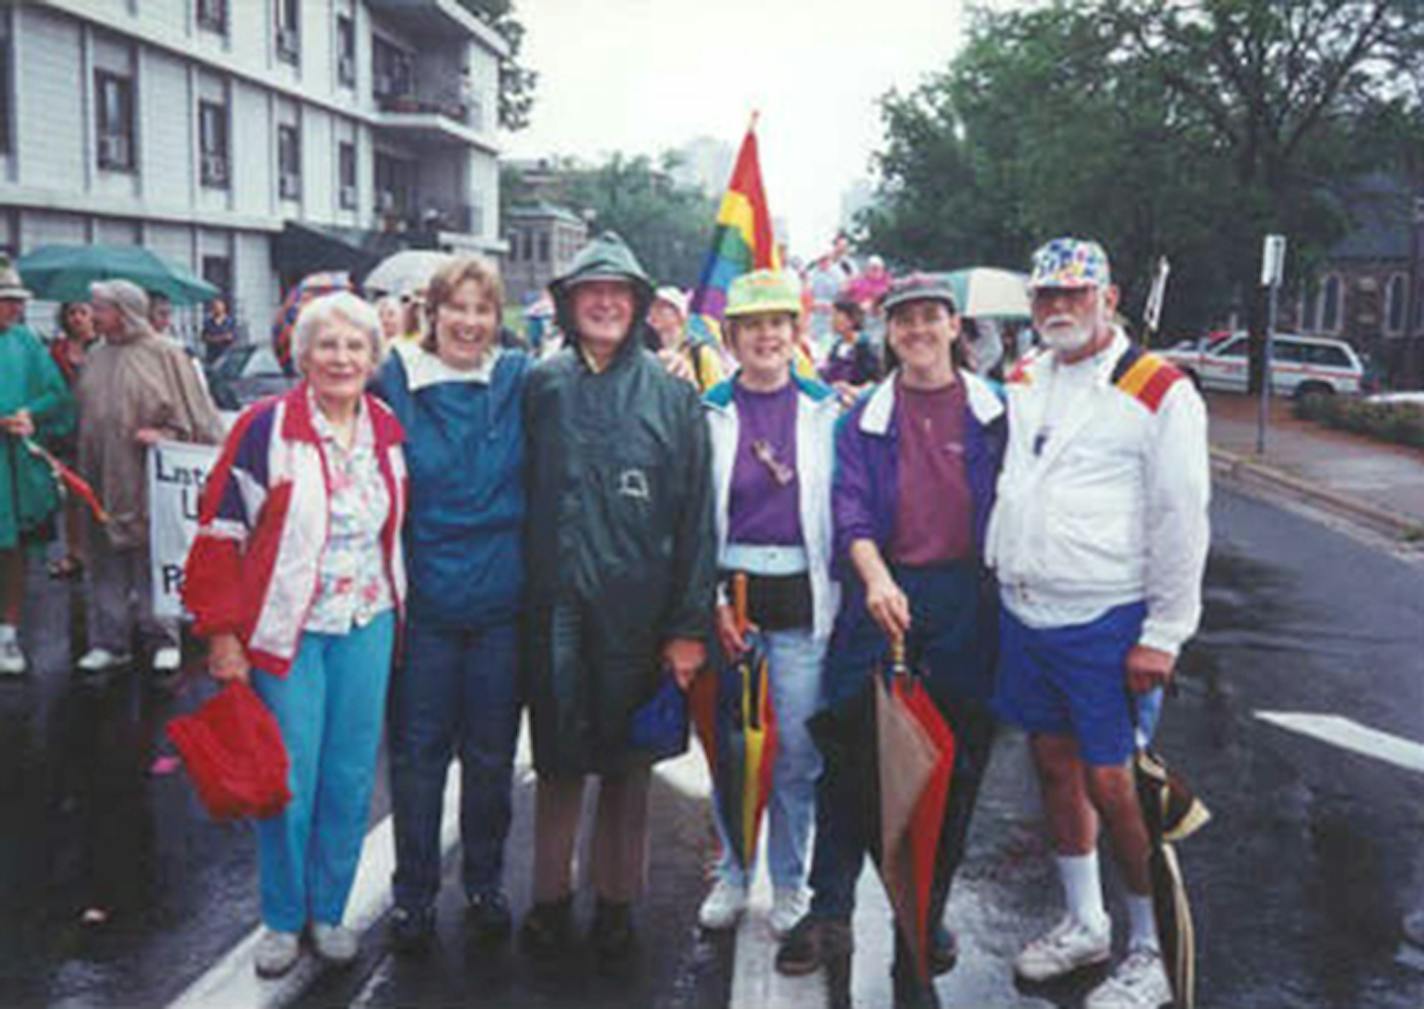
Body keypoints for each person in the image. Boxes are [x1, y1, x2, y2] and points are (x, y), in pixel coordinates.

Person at [988, 238, 1209, 1009]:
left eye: (1075, 295)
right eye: (1045, 295)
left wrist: (1165, 632)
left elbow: (1183, 516)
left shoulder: (1158, 389)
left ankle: (1150, 946)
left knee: (1114, 781)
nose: (1058, 308)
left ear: (1108, 299)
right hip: (1026, 610)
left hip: (1106, 616)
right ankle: (1085, 920)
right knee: (1052, 764)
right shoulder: (1022, 376)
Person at [776, 273, 1007, 1009]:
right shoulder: (863, 420)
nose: (917, 330)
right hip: (882, 594)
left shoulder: (998, 414)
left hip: (967, 599)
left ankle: (922, 926)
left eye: (930, 317)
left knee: (955, 765)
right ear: (887, 331)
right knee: (850, 755)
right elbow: (851, 515)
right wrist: (874, 579)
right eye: (902, 320)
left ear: (954, 327)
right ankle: (831, 905)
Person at [182, 291, 408, 979]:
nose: (341, 358)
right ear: (302, 354)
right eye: (327, 345)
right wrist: (223, 636)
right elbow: (220, 533)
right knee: (288, 780)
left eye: (355, 346)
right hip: (286, 630)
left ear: (374, 358)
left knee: (347, 777)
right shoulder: (265, 427)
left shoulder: (387, 426)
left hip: (368, 621)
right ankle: (282, 918)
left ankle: (328, 910)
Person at [519, 232, 716, 962]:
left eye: (619, 292)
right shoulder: (540, 387)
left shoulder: (672, 397)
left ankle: (617, 902)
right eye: (589, 292)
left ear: (638, 305)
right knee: (560, 761)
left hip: (641, 616)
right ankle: (547, 898)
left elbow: (699, 520)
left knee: (628, 769)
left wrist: (689, 625)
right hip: (554, 610)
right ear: (570, 304)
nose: (604, 303)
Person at [371, 256, 529, 953]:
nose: (470, 322)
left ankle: (486, 882)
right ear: (431, 313)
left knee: (492, 758)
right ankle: (413, 896)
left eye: (483, 309)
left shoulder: (521, 379)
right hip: (426, 603)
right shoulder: (393, 381)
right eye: (456, 308)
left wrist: (672, 372)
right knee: (417, 757)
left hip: (501, 603)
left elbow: (595, 386)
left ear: (498, 320)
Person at [696, 269, 841, 936]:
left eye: (777, 323)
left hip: (803, 604)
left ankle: (788, 879)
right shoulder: (708, 411)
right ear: (731, 335)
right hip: (734, 602)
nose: (765, 336)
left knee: (796, 753)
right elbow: (695, 519)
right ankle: (733, 870)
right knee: (735, 748)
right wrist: (713, 599)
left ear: (795, 330)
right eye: (752, 324)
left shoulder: (827, 411)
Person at [76, 280, 223, 678]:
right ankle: (110, 642)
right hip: (102, 476)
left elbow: (199, 421)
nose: (92, 314)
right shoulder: (95, 355)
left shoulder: (166, 355)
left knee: (154, 558)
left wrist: (165, 436)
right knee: (106, 560)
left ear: (123, 312)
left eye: (100, 308)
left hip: (149, 479)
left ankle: (164, 637)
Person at [0, 259, 75, 675]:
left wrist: (29, 412)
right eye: (7, 301)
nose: (16, 309)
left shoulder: (25, 342)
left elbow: (55, 394)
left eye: (17, 301)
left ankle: (7, 634)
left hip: (13, 469)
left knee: (13, 552)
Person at [47, 301, 99, 580]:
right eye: (72, 313)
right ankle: (75, 552)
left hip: (98, 427)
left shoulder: (103, 350)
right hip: (67, 429)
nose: (78, 318)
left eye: (83, 312)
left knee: (100, 493)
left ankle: (101, 552)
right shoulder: (57, 351)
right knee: (73, 496)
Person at [647, 285, 725, 393]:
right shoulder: (648, 352)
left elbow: (718, 397)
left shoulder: (700, 352)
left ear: (679, 314)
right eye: (652, 306)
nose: (653, 312)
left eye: (662, 307)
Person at [819, 295, 882, 405]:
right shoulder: (837, 345)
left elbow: (876, 381)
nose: (831, 320)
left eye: (836, 315)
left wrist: (851, 389)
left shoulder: (865, 346)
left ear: (850, 320)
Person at [201, 296, 237, 363]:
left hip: (226, 356)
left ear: (223, 307)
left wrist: (213, 338)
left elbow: (231, 337)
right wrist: (222, 337)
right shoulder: (208, 322)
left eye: (218, 306)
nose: (216, 308)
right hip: (211, 356)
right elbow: (204, 337)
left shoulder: (230, 322)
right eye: (214, 306)